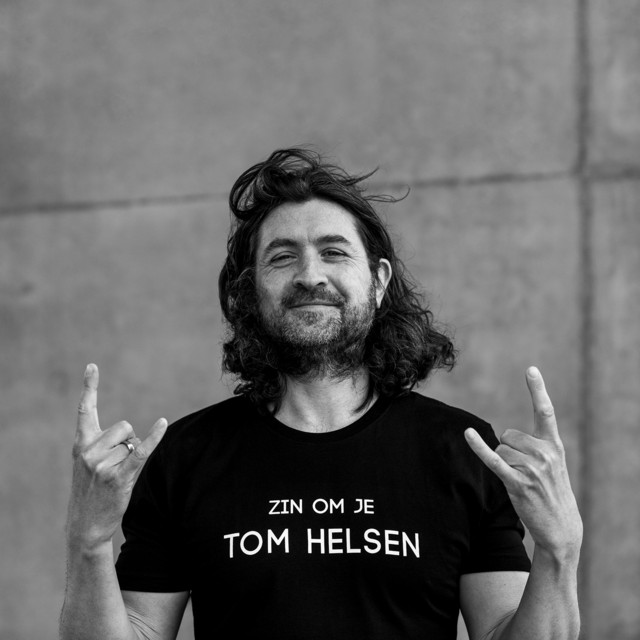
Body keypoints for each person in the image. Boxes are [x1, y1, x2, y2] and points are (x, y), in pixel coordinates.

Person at [60, 148, 582, 640]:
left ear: (378, 281)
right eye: (282, 257)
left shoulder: (460, 449)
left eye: (333, 252)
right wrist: (89, 541)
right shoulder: (185, 457)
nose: (310, 275)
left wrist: (560, 549)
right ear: (251, 291)